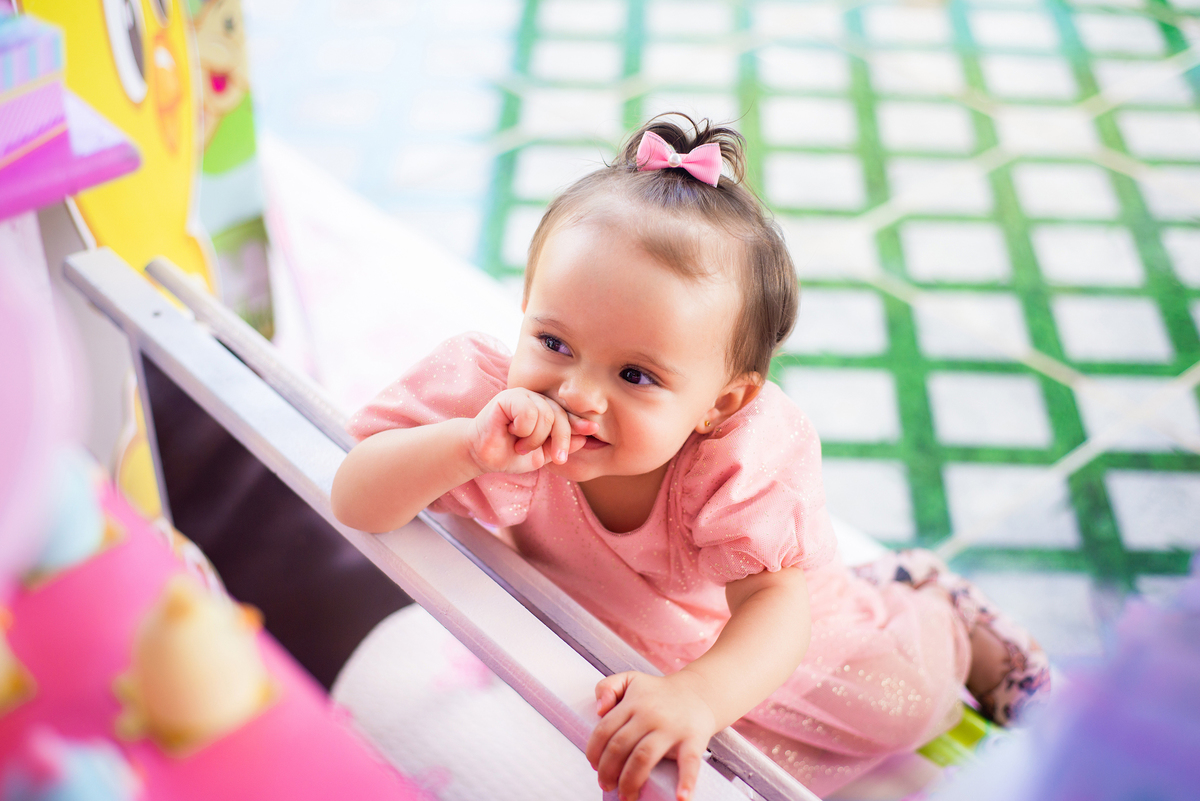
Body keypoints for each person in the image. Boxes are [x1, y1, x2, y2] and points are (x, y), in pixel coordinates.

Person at [331, 116, 1050, 801]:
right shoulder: (494, 410)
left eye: (636, 376)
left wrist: (701, 695)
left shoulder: (734, 460)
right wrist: (463, 447)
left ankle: (939, 609)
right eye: (554, 342)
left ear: (722, 403)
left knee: (903, 705)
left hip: (768, 641)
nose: (578, 394)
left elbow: (773, 605)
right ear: (526, 307)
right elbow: (356, 497)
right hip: (632, 640)